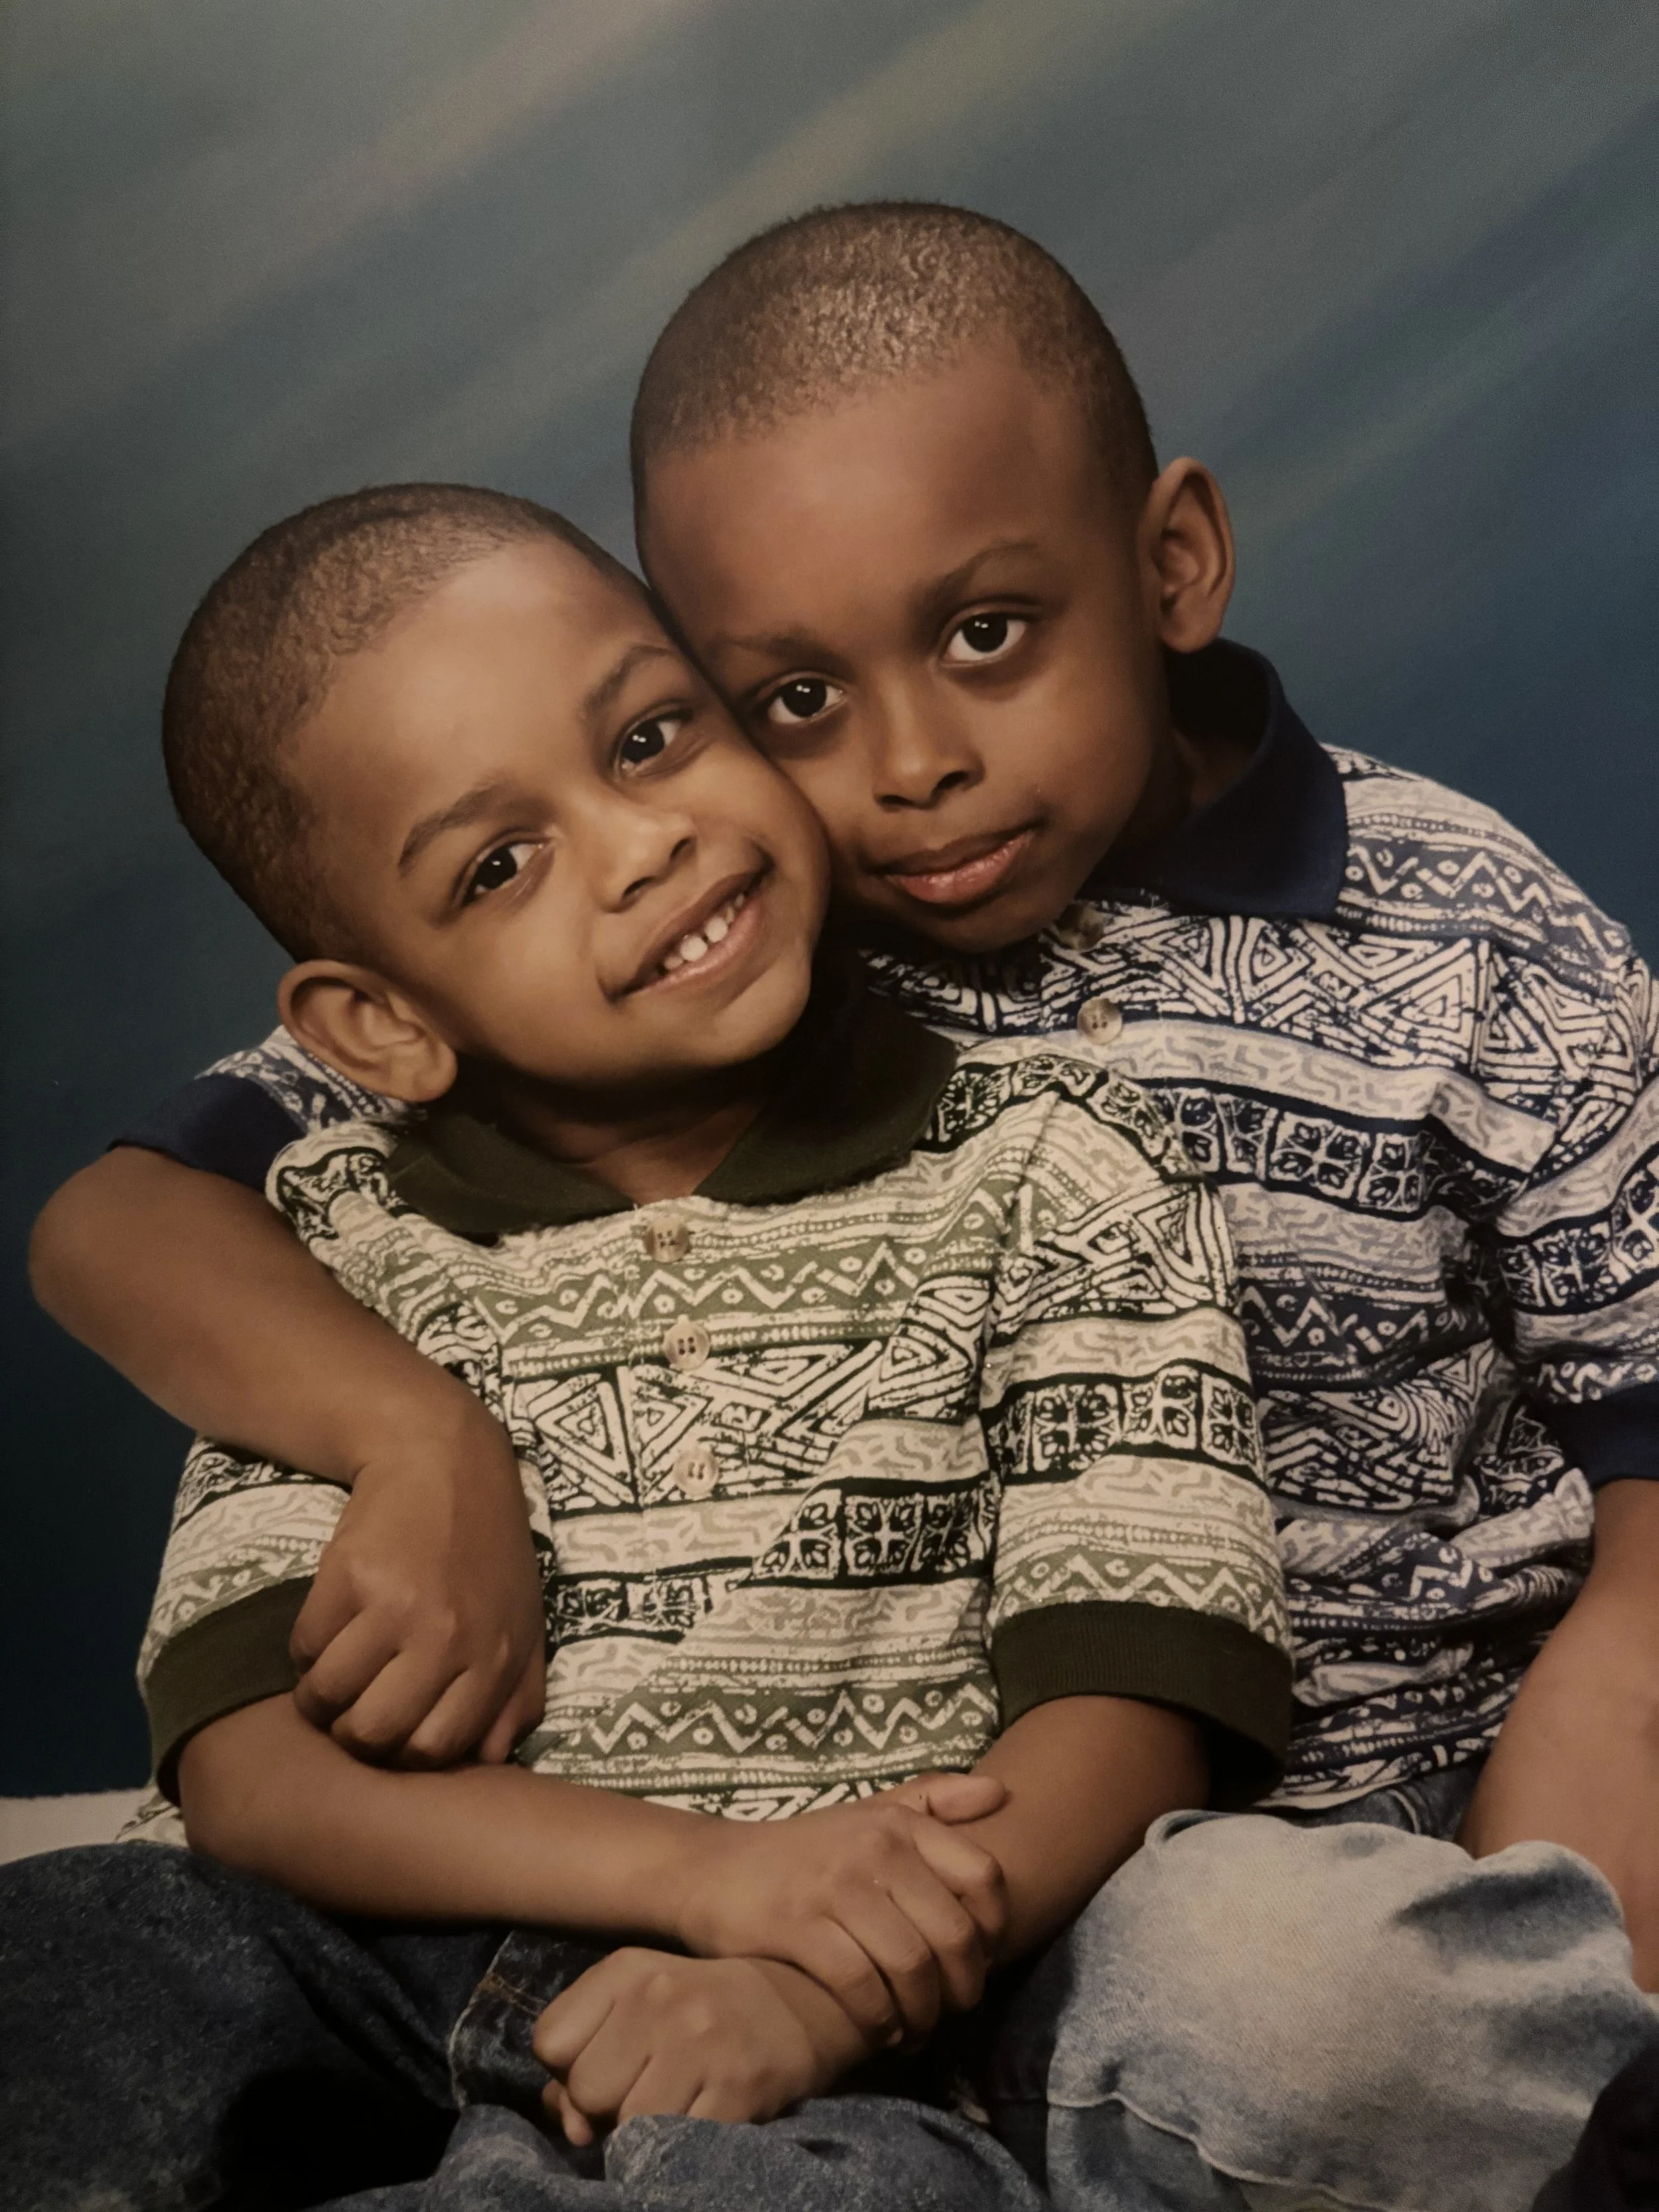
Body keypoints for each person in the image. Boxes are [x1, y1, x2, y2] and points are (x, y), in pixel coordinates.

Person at [31, 202, 1659, 2205]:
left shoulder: (1464, 951)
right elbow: (119, 1222)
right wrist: (410, 1431)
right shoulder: (705, 948)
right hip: (692, 1859)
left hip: (1255, 1845)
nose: (906, 768)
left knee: (1315, 2018)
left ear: (1166, 563)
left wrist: (1555, 1949)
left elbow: (1642, 1569)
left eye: (985, 635)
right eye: (785, 698)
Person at [1, 480, 1291, 2211]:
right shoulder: (332, 1251)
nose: (643, 841)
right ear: (377, 1022)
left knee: (851, 2194)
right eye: (496, 862)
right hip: (373, 1969)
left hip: (807, 2041)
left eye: (650, 734)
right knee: (73, 1955)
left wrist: (803, 1971)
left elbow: (1133, 1698)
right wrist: (702, 1871)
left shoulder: (1057, 1159)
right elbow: (251, 1777)